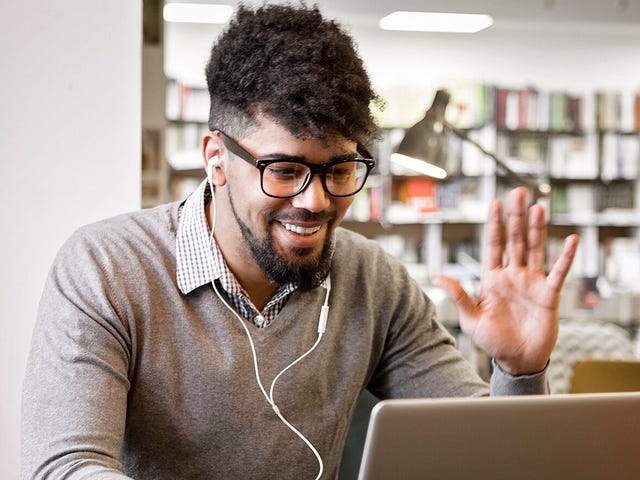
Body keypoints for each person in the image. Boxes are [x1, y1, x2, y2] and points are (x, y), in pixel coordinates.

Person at [21, 3, 579, 480]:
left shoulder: (373, 282)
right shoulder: (107, 268)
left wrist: (520, 372)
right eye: (285, 170)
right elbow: (67, 467)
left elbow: (488, 460)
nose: (315, 202)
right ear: (216, 158)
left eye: (339, 169)